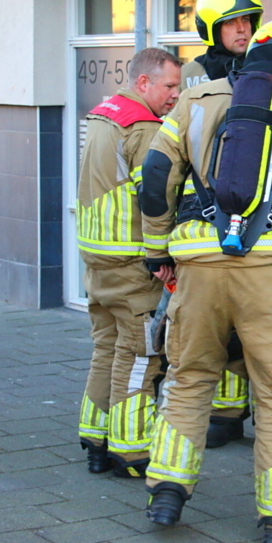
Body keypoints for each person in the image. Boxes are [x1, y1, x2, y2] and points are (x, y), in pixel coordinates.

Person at [139, 19, 272, 543]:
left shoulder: (195, 98)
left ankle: (167, 488)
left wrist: (156, 251)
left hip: (198, 267)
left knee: (189, 377)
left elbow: (155, 174)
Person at [76, 48, 183, 479]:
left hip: (98, 261)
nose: (176, 95)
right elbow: (157, 197)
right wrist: (165, 254)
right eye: (170, 86)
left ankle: (95, 438)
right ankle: (131, 452)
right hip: (132, 263)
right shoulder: (142, 127)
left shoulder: (104, 115)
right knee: (140, 356)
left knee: (106, 349)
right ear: (144, 83)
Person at [179, 0, 265, 447]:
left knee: (244, 323)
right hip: (202, 212)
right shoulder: (194, 75)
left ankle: (233, 413)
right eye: (232, 22)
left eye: (248, 20)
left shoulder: (262, 69)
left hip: (253, 211)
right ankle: (217, 413)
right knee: (210, 326)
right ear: (212, 28)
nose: (243, 29)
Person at [180, 0, 263, 90]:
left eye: (246, 19)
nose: (241, 29)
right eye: (230, 22)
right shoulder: (188, 74)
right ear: (213, 31)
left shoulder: (266, 68)